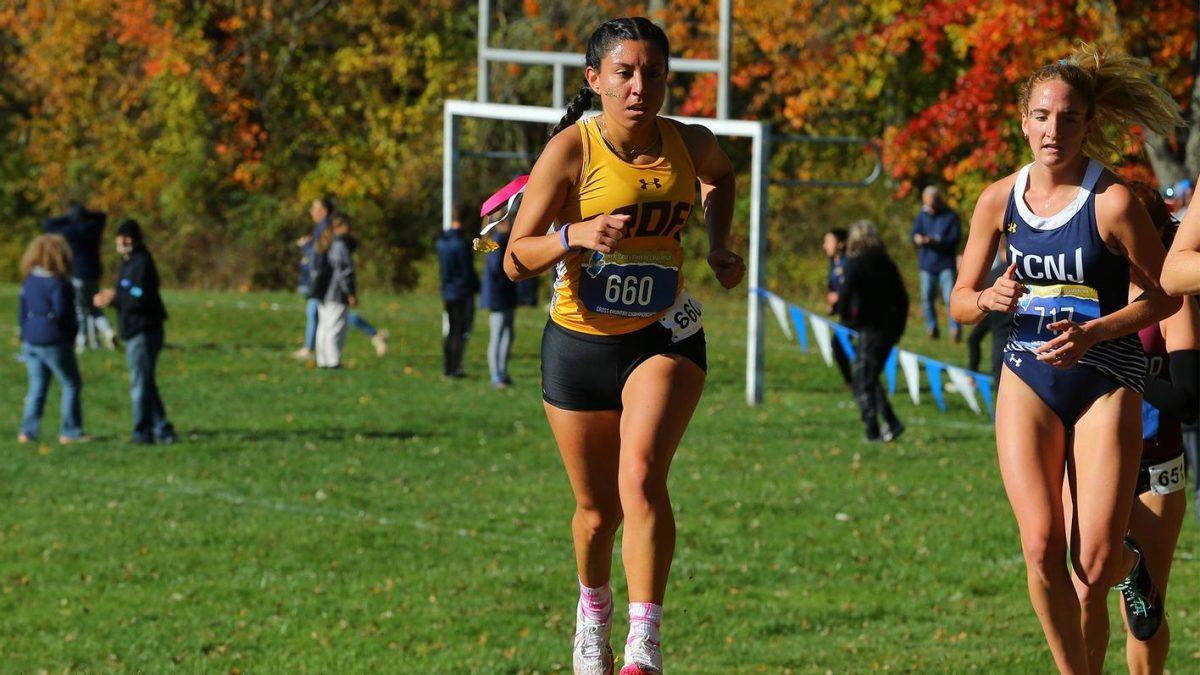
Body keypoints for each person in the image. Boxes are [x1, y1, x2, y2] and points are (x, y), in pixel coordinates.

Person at [502, 17, 743, 675]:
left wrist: (720, 242)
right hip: (578, 345)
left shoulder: (689, 142)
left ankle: (644, 642)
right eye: (625, 73)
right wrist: (573, 235)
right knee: (595, 512)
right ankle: (593, 611)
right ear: (595, 80)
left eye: (654, 74)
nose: (641, 86)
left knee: (640, 477)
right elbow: (513, 260)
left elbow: (722, 176)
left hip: (663, 335)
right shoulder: (570, 151)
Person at [949, 46, 1182, 673]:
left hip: (1106, 377)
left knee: (1096, 566)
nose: (1054, 131)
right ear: (1023, 121)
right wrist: (988, 296)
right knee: (1041, 546)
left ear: (1087, 124)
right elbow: (959, 302)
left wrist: (1095, 331)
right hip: (1028, 375)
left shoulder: (1113, 203)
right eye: (1043, 116)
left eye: (1069, 119)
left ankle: (1132, 564)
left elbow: (1165, 299)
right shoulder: (997, 200)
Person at [1063, 181, 1196, 673]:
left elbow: (1188, 401)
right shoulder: (1085, 291)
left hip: (1154, 467)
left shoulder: (1173, 304)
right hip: (1089, 460)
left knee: (1143, 612)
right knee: (1082, 588)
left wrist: (1111, 357)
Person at [95, 220, 177, 445]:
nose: (123, 241)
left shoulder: (142, 262)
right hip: (133, 331)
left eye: (128, 236)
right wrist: (113, 296)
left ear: (136, 239)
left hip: (145, 331)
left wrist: (115, 298)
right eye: (120, 236)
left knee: (140, 384)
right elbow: (126, 292)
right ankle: (163, 429)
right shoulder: (127, 262)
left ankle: (142, 433)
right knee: (146, 382)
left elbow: (140, 295)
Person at [838, 220, 908, 442]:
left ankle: (872, 431)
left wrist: (845, 318)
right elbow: (902, 298)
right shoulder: (887, 262)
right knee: (868, 376)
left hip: (870, 328)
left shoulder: (854, 263)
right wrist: (898, 328)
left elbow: (845, 294)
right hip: (889, 327)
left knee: (863, 380)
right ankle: (892, 420)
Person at [17, 234, 88, 444]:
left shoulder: (30, 281)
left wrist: (25, 334)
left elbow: (22, 313)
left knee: (37, 386)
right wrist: (72, 336)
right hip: (53, 339)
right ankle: (70, 431)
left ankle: (27, 431)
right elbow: (64, 313)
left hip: (30, 339)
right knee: (71, 384)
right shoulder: (60, 284)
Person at [43, 201, 116, 351]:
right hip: (94, 274)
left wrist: (67, 218)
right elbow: (102, 216)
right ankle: (107, 331)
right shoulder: (93, 228)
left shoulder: (71, 231)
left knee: (79, 310)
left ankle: (82, 339)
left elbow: (48, 225)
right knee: (94, 307)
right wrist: (86, 214)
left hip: (78, 275)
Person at [912, 185, 962, 340]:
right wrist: (917, 238)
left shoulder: (950, 216)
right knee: (926, 298)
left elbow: (955, 238)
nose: (929, 207)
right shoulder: (922, 215)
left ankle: (955, 329)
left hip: (945, 264)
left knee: (949, 298)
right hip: (926, 265)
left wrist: (935, 240)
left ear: (938, 200)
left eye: (931, 203)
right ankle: (931, 327)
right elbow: (914, 234)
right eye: (926, 203)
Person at [437, 203, 480, 378]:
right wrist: (475, 286)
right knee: (459, 330)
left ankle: (449, 366)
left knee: (452, 330)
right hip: (461, 292)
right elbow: (466, 271)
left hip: (448, 291)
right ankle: (453, 368)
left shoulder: (441, 241)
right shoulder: (461, 244)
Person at [310, 214, 357, 368]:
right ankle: (333, 361)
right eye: (347, 226)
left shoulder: (325, 243)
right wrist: (350, 292)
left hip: (323, 291)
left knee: (323, 327)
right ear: (339, 227)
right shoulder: (339, 246)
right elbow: (344, 271)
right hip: (336, 292)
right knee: (335, 327)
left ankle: (322, 360)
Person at [293, 197, 334, 361]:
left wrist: (305, 245)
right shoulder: (321, 228)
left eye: (314, 208)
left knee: (332, 312)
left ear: (323, 211)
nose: (311, 211)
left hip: (321, 277)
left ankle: (374, 333)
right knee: (315, 310)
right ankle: (309, 347)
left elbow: (318, 255)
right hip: (318, 276)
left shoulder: (324, 228)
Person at [481, 215, 518, 388]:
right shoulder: (497, 241)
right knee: (497, 334)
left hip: (506, 294)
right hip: (498, 295)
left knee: (508, 334)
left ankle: (502, 372)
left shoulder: (503, 240)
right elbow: (497, 268)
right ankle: (496, 375)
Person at [965, 245, 1009, 381]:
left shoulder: (994, 273)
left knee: (999, 361)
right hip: (992, 315)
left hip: (999, 320)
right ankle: (972, 373)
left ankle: (972, 375)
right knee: (973, 340)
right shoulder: (995, 273)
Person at [823, 228, 853, 386]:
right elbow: (834, 287)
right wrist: (833, 306)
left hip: (859, 313)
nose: (825, 245)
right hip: (845, 314)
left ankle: (854, 380)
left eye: (829, 241)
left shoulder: (849, 262)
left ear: (841, 244)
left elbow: (854, 287)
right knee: (839, 345)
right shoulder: (833, 262)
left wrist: (840, 296)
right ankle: (852, 381)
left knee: (838, 343)